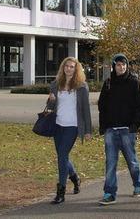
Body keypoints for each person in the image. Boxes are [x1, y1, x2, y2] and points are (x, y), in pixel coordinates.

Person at [97, 53, 140, 205]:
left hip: (127, 130)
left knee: (132, 161)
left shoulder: (134, 83)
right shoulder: (108, 83)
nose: (121, 67)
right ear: (114, 66)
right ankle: (109, 192)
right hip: (111, 131)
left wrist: (134, 125)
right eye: (118, 64)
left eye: (124, 64)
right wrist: (104, 127)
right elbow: (102, 106)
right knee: (110, 163)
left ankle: (138, 184)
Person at [46, 57, 92, 205]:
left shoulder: (81, 86)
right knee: (62, 156)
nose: (69, 69)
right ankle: (75, 178)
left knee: (62, 156)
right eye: (66, 66)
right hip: (57, 125)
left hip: (72, 126)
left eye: (72, 67)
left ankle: (61, 192)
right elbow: (50, 107)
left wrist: (88, 130)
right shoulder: (55, 84)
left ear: (76, 69)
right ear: (63, 68)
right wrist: (51, 100)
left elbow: (86, 110)